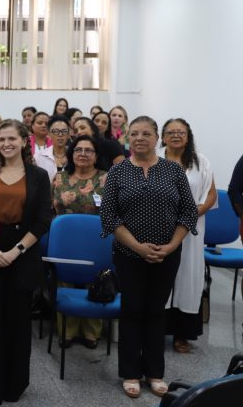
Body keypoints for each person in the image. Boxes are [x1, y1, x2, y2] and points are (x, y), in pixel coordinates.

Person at [100, 115, 198, 399]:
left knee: (156, 311)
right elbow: (109, 216)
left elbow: (188, 213)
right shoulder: (118, 172)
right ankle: (130, 372)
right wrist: (139, 247)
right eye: (134, 133)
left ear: (158, 138)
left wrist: (169, 246)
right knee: (132, 310)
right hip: (129, 254)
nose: (140, 138)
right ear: (127, 138)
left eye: (146, 133)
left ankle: (155, 372)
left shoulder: (173, 171)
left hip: (167, 254)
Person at [0, 119, 52, 407]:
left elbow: (42, 221)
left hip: (22, 253)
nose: (6, 144)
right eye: (1, 139)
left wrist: (16, 251)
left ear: (23, 141)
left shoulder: (38, 176)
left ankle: (12, 385)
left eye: (12, 139)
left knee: (16, 322)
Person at [159, 118, 216, 354]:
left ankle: (182, 335)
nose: (175, 136)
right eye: (170, 132)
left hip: (191, 231)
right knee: (161, 278)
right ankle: (156, 331)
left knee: (188, 279)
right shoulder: (155, 160)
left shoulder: (200, 162)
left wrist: (190, 215)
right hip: (159, 227)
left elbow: (211, 195)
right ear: (162, 136)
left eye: (180, 132)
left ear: (188, 135)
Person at [51, 135, 108, 349]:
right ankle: (67, 330)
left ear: (96, 156)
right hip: (64, 241)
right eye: (78, 150)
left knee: (95, 281)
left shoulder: (106, 178)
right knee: (63, 281)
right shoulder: (59, 178)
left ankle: (91, 331)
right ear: (71, 154)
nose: (83, 154)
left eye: (88, 150)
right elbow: (50, 206)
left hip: (96, 242)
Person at [34, 115, 71, 181]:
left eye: (64, 131)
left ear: (68, 134)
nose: (60, 134)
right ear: (49, 134)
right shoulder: (39, 157)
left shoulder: (75, 155)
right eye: (56, 131)